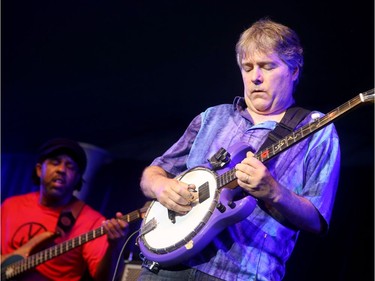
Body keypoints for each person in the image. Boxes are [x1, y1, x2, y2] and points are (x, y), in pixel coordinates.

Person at [137, 18, 341, 281]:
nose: (255, 77)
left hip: (239, 274)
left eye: (267, 66)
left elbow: (316, 219)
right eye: (248, 67)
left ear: (294, 71)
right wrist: (161, 187)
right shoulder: (211, 117)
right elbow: (152, 174)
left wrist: (273, 191)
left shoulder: (317, 129)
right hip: (165, 268)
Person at [1, 138, 129, 281]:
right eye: (55, 162)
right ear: (39, 169)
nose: (61, 170)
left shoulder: (93, 222)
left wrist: (114, 246)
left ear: (78, 178)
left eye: (70, 167)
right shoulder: (11, 205)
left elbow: (105, 279)